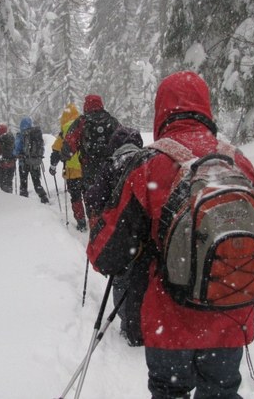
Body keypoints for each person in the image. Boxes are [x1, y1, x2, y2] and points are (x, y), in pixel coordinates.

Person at [86, 71, 254, 399]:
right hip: (230, 311)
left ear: (161, 111)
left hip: (171, 322)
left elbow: (107, 253)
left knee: (170, 393)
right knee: (222, 392)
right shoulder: (238, 161)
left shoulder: (150, 165)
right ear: (205, 108)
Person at [84, 125, 149, 347]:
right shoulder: (148, 160)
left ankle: (129, 326)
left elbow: (94, 198)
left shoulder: (111, 164)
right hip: (147, 233)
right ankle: (144, 324)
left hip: (121, 232)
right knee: (145, 278)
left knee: (121, 277)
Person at [60, 94, 120, 217]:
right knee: (110, 196)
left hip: (89, 168)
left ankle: (94, 224)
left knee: (91, 197)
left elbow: (69, 144)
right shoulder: (111, 121)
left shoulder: (81, 122)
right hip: (110, 166)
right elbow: (122, 140)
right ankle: (109, 224)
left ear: (86, 105)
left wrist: (65, 156)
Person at [48, 103, 87, 232]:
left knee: (76, 197)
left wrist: (53, 166)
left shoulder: (65, 130)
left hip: (71, 172)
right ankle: (94, 218)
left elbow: (56, 151)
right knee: (89, 195)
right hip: (87, 169)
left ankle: (81, 222)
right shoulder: (84, 125)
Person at [14, 117, 49, 204]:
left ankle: (24, 202)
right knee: (37, 182)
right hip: (35, 162)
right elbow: (42, 147)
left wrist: (17, 154)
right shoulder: (36, 133)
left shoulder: (21, 135)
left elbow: (16, 151)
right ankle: (44, 198)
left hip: (23, 163)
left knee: (23, 183)